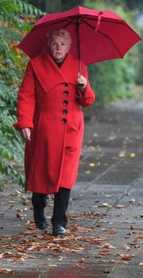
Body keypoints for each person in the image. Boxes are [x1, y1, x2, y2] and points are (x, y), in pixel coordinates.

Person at [14, 28, 95, 236]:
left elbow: (87, 102)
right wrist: (24, 122)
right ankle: (38, 206)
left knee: (66, 177)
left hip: (71, 130)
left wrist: (84, 87)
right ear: (48, 45)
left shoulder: (79, 66)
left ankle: (59, 221)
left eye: (62, 44)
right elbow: (26, 96)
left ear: (69, 47)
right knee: (41, 174)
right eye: (54, 43)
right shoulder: (35, 65)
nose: (58, 48)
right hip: (44, 129)